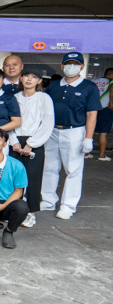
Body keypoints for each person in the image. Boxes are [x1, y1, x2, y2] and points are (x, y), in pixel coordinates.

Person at [41, 52, 102, 220]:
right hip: (52, 131)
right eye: (68, 63)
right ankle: (48, 200)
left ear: (82, 67)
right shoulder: (54, 86)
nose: (71, 67)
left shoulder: (89, 87)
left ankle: (68, 205)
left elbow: (92, 115)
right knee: (50, 167)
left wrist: (88, 138)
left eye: (76, 63)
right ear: (62, 66)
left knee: (73, 170)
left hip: (74, 132)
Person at [8, 70, 54, 228]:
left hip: (35, 140)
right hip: (15, 141)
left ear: (39, 80)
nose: (29, 79)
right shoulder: (15, 97)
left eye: (34, 77)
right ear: (20, 78)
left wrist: (31, 144)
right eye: (26, 76)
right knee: (13, 178)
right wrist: (13, 141)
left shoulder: (43, 98)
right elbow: (10, 121)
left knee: (32, 179)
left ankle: (31, 213)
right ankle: (13, 210)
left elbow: (47, 123)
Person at [91, 67, 113, 161]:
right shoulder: (111, 82)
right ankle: (102, 155)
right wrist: (111, 104)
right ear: (111, 75)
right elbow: (112, 91)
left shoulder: (93, 81)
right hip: (105, 109)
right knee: (103, 133)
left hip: (92, 109)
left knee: (90, 132)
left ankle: (86, 153)